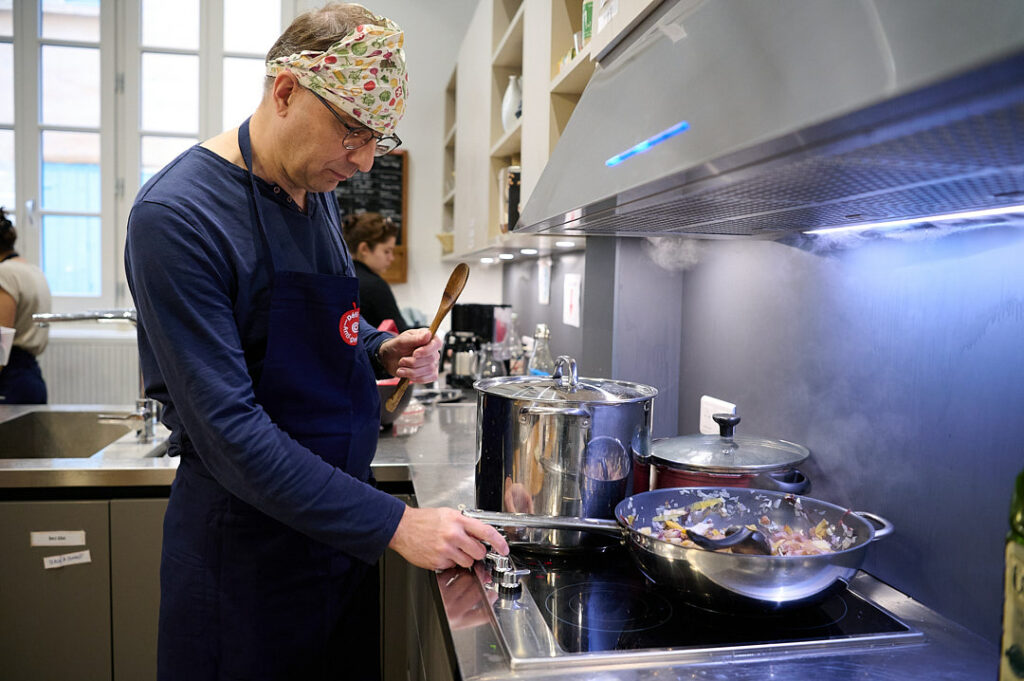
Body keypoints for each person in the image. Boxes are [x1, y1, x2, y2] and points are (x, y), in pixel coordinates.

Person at [123, 4, 508, 680]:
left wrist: (377, 353)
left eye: (377, 139)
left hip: (337, 546)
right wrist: (395, 524)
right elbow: (231, 432)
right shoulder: (177, 218)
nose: (362, 163)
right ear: (284, 92)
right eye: (353, 132)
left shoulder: (316, 190)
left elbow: (317, 337)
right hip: (243, 565)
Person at [0, 207, 51, 404]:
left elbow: (1, 347)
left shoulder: (5, 274)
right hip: (30, 378)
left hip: (11, 380)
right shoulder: (32, 270)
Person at [342, 211, 410, 331]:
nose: (392, 258)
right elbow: (401, 333)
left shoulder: (341, 276)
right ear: (364, 249)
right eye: (387, 251)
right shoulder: (375, 286)